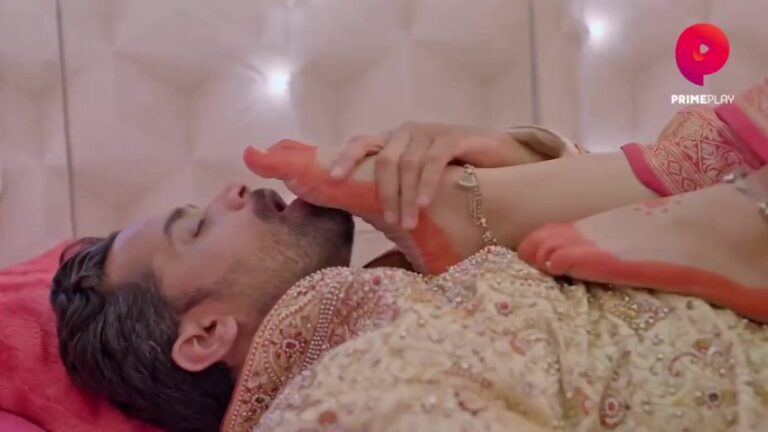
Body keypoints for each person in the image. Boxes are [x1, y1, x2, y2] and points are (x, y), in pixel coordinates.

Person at [51, 80, 768, 431]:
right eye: (196, 227)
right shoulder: (338, 407)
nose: (231, 189)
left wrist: (518, 163)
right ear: (206, 335)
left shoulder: (397, 289)